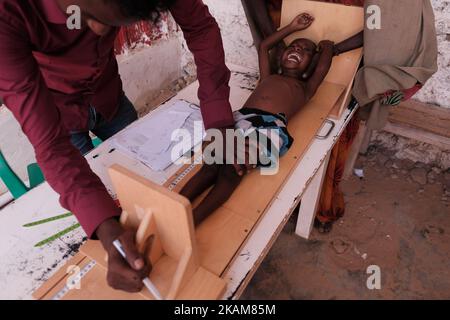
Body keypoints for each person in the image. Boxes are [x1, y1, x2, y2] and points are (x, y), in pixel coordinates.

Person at [0, 0, 253, 293]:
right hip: (60, 112)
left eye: (117, 24)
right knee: (93, 197)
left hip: (109, 96)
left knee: (148, 174)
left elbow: (201, 28)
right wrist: (103, 225)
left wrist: (220, 124)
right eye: (90, 17)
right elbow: (51, 145)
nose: (99, 33)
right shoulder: (8, 16)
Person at [180, 13, 340, 225]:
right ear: (281, 57)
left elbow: (322, 67)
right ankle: (174, 206)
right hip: (240, 120)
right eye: (293, 47)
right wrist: (292, 27)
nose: (297, 49)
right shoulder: (268, 76)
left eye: (306, 51)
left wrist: (326, 47)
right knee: (210, 165)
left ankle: (193, 220)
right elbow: (264, 47)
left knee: (231, 171)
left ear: (310, 67)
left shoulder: (305, 88)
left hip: (270, 128)